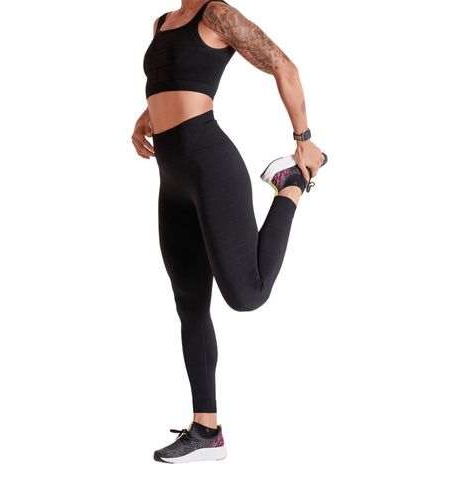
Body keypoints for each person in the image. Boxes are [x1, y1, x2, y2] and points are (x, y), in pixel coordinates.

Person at [132, 0, 328, 463]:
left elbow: (283, 66)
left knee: (246, 295)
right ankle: (206, 431)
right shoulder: (162, 23)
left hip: (209, 164)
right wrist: (146, 116)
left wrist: (303, 139)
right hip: (171, 176)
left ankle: (291, 185)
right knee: (190, 303)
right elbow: (170, 81)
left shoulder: (216, 14)